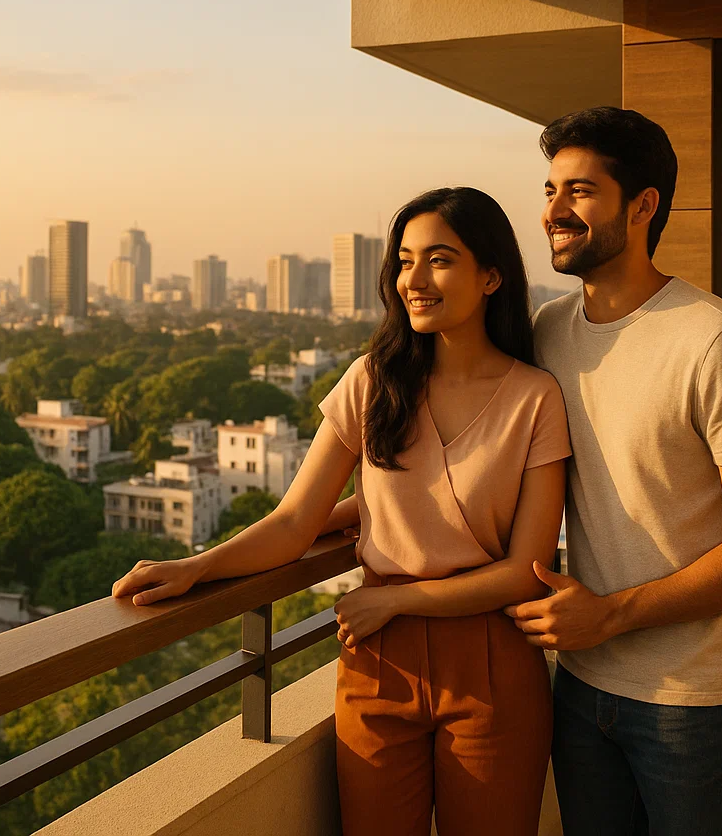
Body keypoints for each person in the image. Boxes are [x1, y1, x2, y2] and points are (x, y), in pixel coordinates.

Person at [112, 187, 571, 836]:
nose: (414, 279)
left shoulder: (535, 397)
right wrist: (199, 567)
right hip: (378, 659)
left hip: (488, 657)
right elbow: (296, 520)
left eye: (439, 259)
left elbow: (526, 570)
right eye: (405, 260)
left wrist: (399, 601)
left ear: (491, 275)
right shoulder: (372, 382)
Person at [506, 106, 722, 836]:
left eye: (579, 191)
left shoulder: (717, 342)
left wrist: (610, 615)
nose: (554, 211)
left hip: (693, 698)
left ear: (643, 206)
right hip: (580, 685)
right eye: (550, 190)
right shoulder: (548, 334)